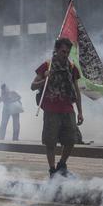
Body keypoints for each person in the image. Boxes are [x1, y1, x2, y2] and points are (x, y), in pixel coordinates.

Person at [32, 37, 83, 177]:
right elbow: (32, 86)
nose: (65, 54)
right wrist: (45, 79)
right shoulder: (47, 66)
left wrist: (80, 112)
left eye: (67, 52)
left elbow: (77, 91)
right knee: (51, 142)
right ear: (57, 50)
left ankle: (62, 164)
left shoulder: (72, 67)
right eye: (62, 51)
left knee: (72, 139)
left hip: (67, 108)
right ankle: (52, 170)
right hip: (51, 109)